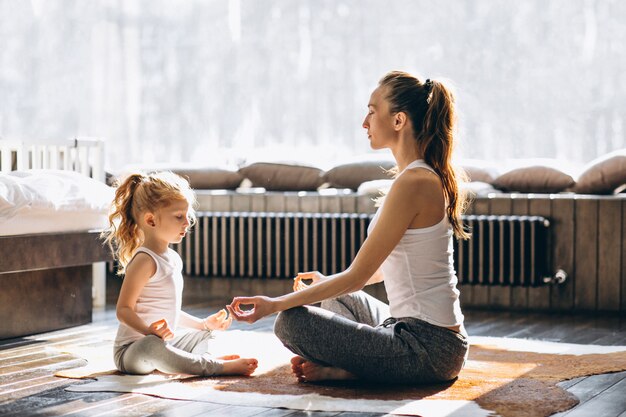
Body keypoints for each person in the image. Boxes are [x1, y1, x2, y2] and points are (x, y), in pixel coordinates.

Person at [227, 70, 470, 384]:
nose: (364, 122)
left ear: (398, 120)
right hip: (408, 329)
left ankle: (352, 369)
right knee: (335, 298)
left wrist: (274, 305)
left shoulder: (415, 181)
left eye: (372, 111)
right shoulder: (415, 177)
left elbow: (355, 277)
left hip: (429, 349)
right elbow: (384, 269)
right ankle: (361, 363)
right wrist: (327, 283)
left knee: (290, 322)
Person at [102, 171, 258, 377]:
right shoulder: (143, 261)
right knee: (152, 346)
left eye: (187, 215)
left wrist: (203, 324)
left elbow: (171, 310)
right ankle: (214, 366)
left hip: (164, 341)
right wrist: (149, 331)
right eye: (179, 217)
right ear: (151, 221)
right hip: (133, 351)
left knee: (206, 335)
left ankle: (197, 360)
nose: (187, 222)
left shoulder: (173, 259)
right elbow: (123, 310)